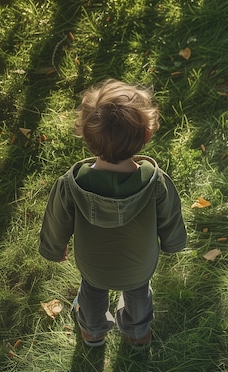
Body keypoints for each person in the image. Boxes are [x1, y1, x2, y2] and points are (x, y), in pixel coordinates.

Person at [39, 79, 187, 347]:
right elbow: (170, 217)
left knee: (92, 293)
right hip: (138, 265)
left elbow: (56, 221)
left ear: (85, 136)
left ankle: (93, 332)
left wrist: (54, 248)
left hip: (94, 265)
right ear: (146, 136)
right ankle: (138, 333)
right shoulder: (155, 182)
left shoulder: (72, 185)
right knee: (138, 293)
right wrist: (172, 243)